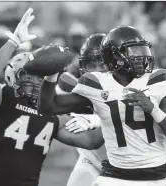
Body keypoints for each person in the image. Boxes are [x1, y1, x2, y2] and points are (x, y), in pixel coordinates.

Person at [0, 8, 104, 186]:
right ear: (15, 76)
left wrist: (112, 115)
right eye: (28, 76)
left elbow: (91, 141)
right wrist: (13, 41)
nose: (34, 82)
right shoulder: (3, 97)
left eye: (39, 78)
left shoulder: (51, 111)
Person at [38, 26, 166, 186]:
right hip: (114, 174)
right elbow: (49, 107)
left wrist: (153, 109)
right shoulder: (96, 85)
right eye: (133, 51)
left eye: (141, 49)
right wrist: (51, 73)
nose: (140, 56)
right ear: (113, 58)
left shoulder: (159, 80)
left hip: (159, 173)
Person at [55, 33, 108, 186]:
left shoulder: (129, 84)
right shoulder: (74, 84)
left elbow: (122, 113)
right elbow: (53, 97)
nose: (97, 70)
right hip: (91, 159)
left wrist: (90, 120)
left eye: (103, 64)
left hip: (129, 165)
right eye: (91, 64)